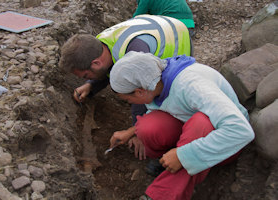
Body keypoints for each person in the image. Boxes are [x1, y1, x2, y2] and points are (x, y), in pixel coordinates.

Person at [108, 51, 255, 200]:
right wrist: (130, 132)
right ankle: (169, 164)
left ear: (140, 92)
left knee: (201, 122)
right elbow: (163, 110)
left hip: (224, 145)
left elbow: (241, 131)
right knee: (147, 127)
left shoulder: (191, 85)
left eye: (128, 99)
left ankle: (163, 194)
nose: (130, 103)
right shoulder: (156, 82)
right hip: (191, 134)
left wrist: (183, 156)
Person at [59, 14, 192, 125]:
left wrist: (137, 129)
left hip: (176, 35)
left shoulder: (135, 51)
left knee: (162, 104)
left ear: (96, 63)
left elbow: (141, 91)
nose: (85, 78)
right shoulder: (99, 46)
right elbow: (108, 68)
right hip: (156, 24)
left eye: (86, 76)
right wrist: (90, 85)